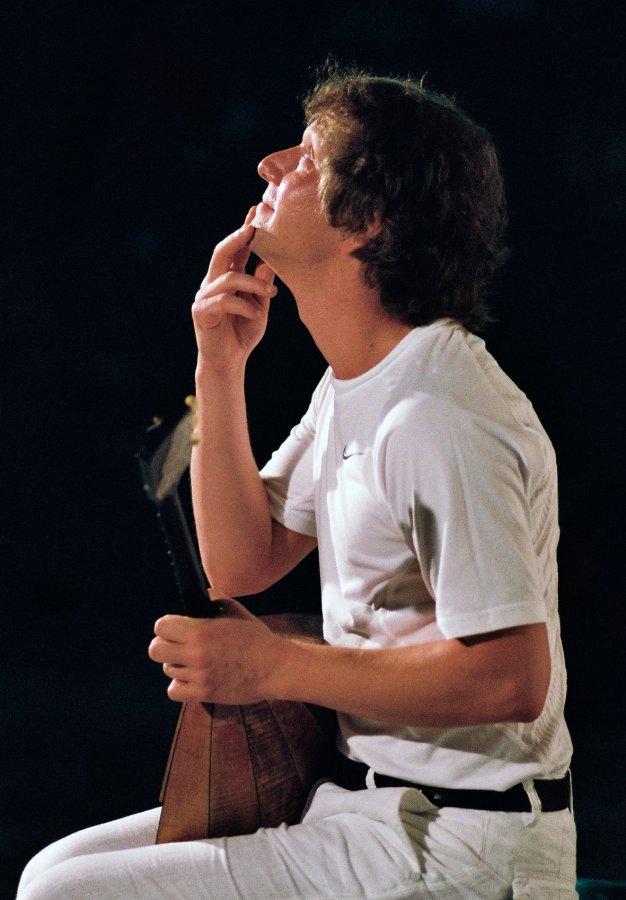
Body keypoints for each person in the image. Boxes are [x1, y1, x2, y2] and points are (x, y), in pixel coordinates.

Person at [18, 68, 576, 898]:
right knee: (51, 872)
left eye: (311, 158)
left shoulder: (438, 413)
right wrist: (218, 365)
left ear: (369, 220)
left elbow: (511, 680)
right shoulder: (358, 382)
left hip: (465, 845)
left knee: (60, 894)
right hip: (368, 808)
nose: (270, 164)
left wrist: (274, 666)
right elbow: (241, 562)